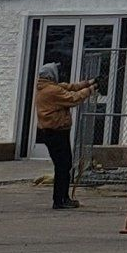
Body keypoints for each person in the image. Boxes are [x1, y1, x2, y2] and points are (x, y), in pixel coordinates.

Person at [34, 60, 98, 211]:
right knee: (63, 166)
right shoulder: (51, 91)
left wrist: (90, 82)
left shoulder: (50, 87)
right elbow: (73, 98)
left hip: (58, 132)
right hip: (55, 133)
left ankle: (64, 197)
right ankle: (60, 199)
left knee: (65, 164)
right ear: (51, 75)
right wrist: (92, 89)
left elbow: (71, 87)